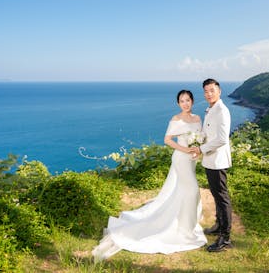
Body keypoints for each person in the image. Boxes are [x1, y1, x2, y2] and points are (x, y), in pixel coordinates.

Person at [92, 90, 207, 261]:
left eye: (188, 100)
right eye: (182, 101)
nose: (185, 103)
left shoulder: (197, 118)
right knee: (193, 191)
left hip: (192, 160)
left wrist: (198, 150)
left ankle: (185, 224)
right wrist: (185, 149)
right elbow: (167, 140)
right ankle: (185, 231)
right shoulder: (176, 120)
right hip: (181, 159)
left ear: (192, 101)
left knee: (184, 192)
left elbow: (201, 137)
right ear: (178, 104)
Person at [190, 78, 233, 252]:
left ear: (219, 91)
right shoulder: (211, 109)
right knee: (216, 195)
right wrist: (198, 137)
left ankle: (226, 237)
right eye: (206, 91)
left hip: (217, 160)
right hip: (210, 160)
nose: (209, 94)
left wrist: (201, 148)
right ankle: (218, 224)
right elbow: (209, 132)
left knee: (222, 198)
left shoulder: (222, 110)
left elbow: (222, 139)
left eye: (212, 90)